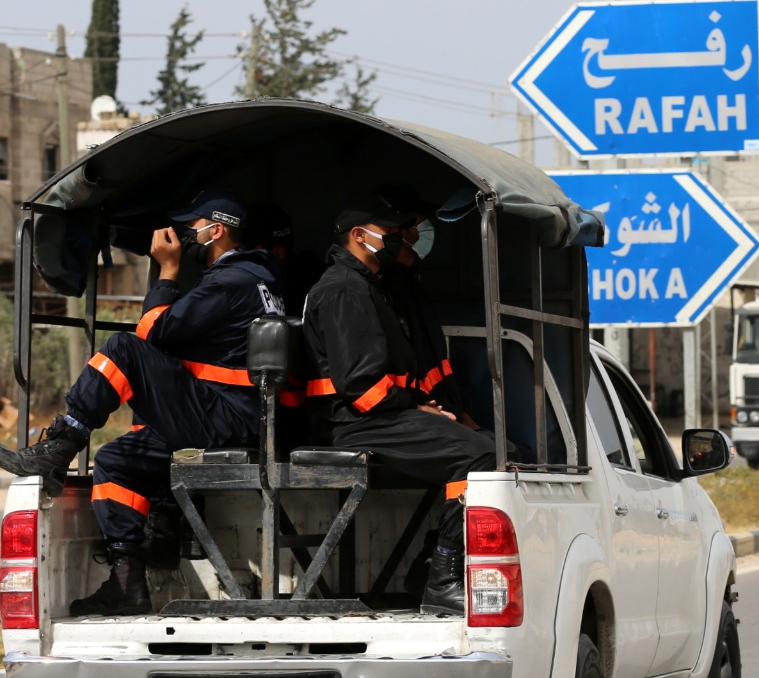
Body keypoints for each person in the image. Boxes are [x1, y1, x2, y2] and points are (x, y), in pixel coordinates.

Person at [0, 191, 285, 614]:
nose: (186, 234)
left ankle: (63, 443)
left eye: (193, 226)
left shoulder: (232, 281)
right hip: (231, 413)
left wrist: (168, 271)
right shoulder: (257, 278)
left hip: (226, 417)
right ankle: (127, 583)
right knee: (117, 460)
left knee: (124, 348)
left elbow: (154, 334)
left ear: (218, 230)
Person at [301, 195, 495, 612]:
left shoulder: (368, 285)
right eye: (389, 231)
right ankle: (443, 578)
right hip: (353, 422)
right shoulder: (343, 289)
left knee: (502, 450)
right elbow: (360, 385)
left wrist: (421, 405)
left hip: (379, 414)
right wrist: (416, 408)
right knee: (479, 456)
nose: (397, 238)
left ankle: (428, 567)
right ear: (359, 236)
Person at [374, 184, 477, 427]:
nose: (422, 232)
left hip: (444, 412)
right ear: (395, 230)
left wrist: (462, 414)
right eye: (418, 223)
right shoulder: (387, 289)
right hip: (420, 415)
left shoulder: (410, 283)